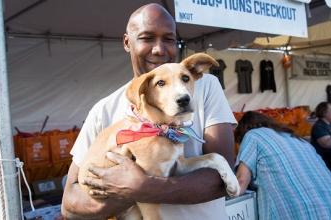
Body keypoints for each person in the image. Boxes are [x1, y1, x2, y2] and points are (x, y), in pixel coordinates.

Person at [61, 3, 237, 220]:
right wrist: (124, 192)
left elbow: (225, 174)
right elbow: (69, 204)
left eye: (169, 39)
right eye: (147, 38)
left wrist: (145, 188)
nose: (159, 49)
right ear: (127, 42)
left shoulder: (202, 87)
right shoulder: (103, 110)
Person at [235, 111, 331, 220]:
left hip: (300, 213)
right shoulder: (298, 139)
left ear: (243, 131)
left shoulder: (252, 135)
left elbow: (240, 184)